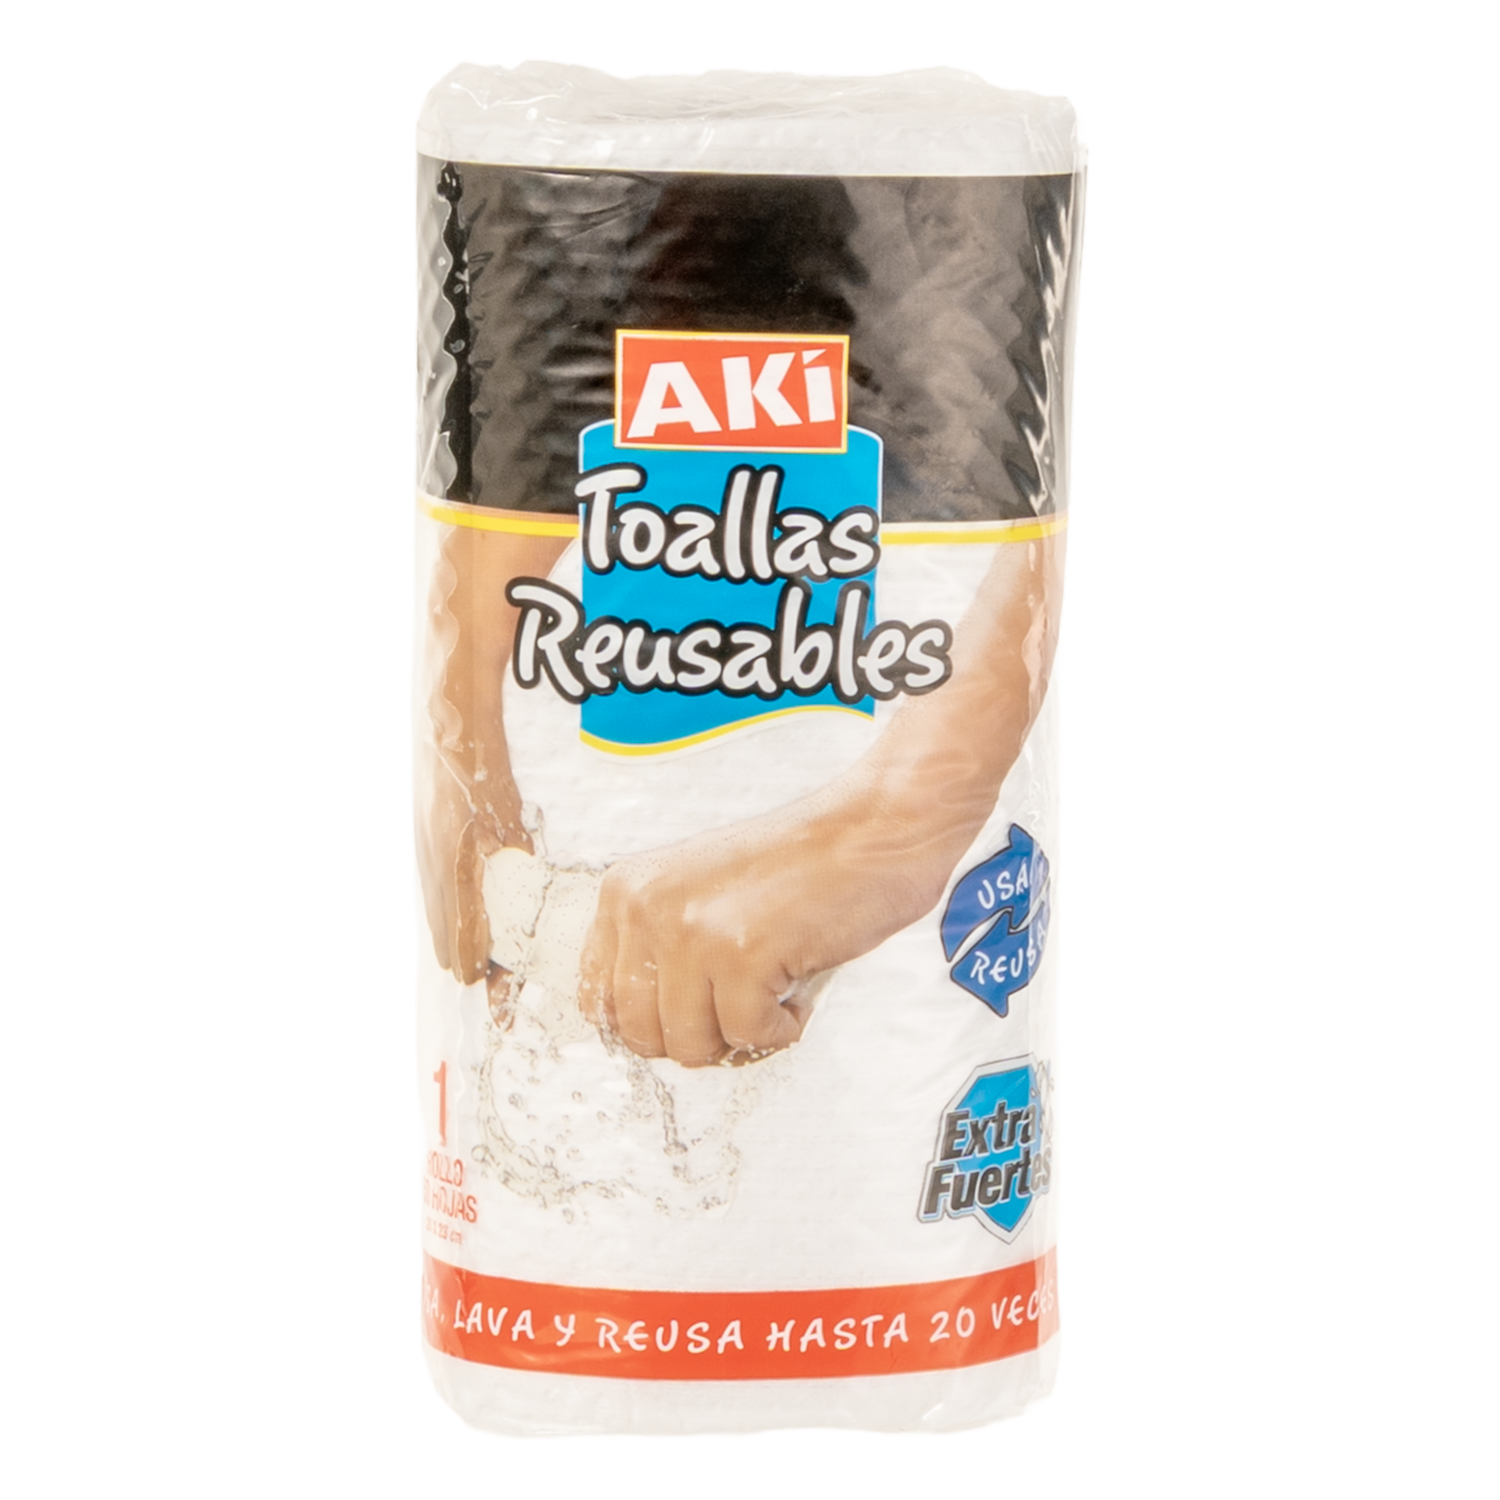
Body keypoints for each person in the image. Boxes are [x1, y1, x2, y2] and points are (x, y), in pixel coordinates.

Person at [416, 519, 1063, 1066]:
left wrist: (900, 819)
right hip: (573, 729)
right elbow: (513, 434)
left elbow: (1023, 473)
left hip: (934, 709)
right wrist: (461, 715)